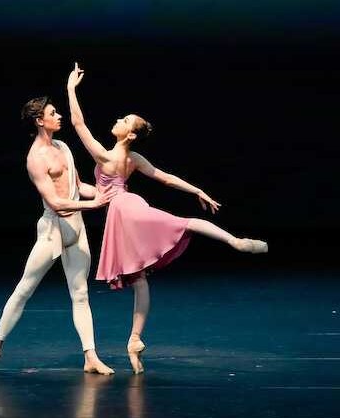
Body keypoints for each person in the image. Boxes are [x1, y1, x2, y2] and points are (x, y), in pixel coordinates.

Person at [66, 63, 268, 374]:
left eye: (124, 120)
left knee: (177, 229)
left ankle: (236, 242)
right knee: (142, 277)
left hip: (124, 212)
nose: (118, 119)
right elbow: (165, 179)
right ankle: (134, 340)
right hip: (125, 207)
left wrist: (70, 89)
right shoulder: (132, 159)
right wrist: (198, 189)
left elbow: (78, 125)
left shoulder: (107, 156)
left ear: (130, 134)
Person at [0, 96, 117, 375]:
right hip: (53, 229)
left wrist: (107, 195)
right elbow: (55, 201)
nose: (59, 116)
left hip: (76, 227)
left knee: (80, 294)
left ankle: (90, 356)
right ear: (40, 120)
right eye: (54, 113)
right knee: (24, 289)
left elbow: (78, 186)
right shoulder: (35, 158)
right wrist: (93, 205)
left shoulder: (63, 147)